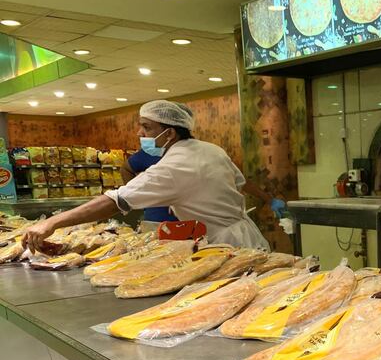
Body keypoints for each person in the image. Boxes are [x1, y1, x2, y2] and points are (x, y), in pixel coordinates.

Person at [22, 100, 269, 252]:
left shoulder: (175, 165)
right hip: (246, 234)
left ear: (170, 133)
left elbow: (114, 201)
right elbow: (239, 181)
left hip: (224, 244)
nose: (140, 132)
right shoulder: (210, 149)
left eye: (147, 127)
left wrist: (52, 222)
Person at [120, 149, 177, 223]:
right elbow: (126, 169)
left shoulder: (188, 154)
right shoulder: (151, 152)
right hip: (156, 217)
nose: (142, 137)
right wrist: (137, 197)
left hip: (187, 217)